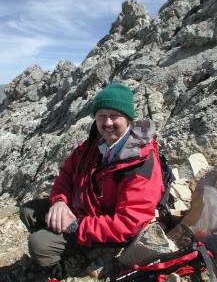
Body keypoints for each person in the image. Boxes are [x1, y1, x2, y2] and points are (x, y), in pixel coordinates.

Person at [20, 83, 164, 279]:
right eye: (101, 116)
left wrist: (75, 226)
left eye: (115, 116)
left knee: (39, 244)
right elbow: (66, 173)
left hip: (103, 227)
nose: (108, 122)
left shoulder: (141, 162)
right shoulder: (95, 143)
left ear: (128, 118)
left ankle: (73, 262)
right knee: (28, 212)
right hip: (81, 210)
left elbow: (129, 223)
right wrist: (60, 201)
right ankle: (65, 248)